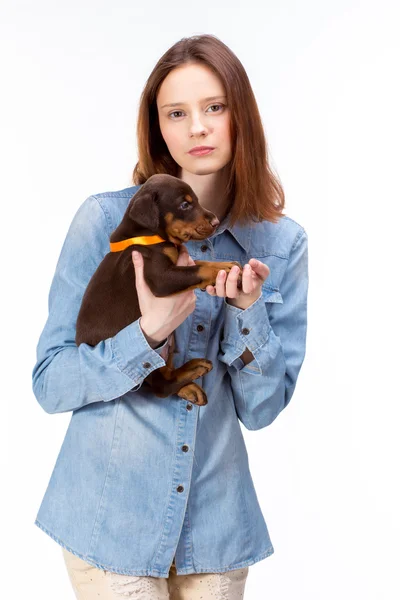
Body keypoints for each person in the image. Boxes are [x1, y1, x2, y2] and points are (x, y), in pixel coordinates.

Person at [32, 33, 309, 600]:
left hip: (216, 531)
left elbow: (262, 410)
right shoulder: (105, 221)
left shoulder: (281, 245)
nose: (197, 128)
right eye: (176, 113)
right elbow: (50, 383)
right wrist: (149, 332)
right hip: (109, 521)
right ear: (158, 126)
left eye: (214, 107)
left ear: (242, 116)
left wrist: (250, 309)